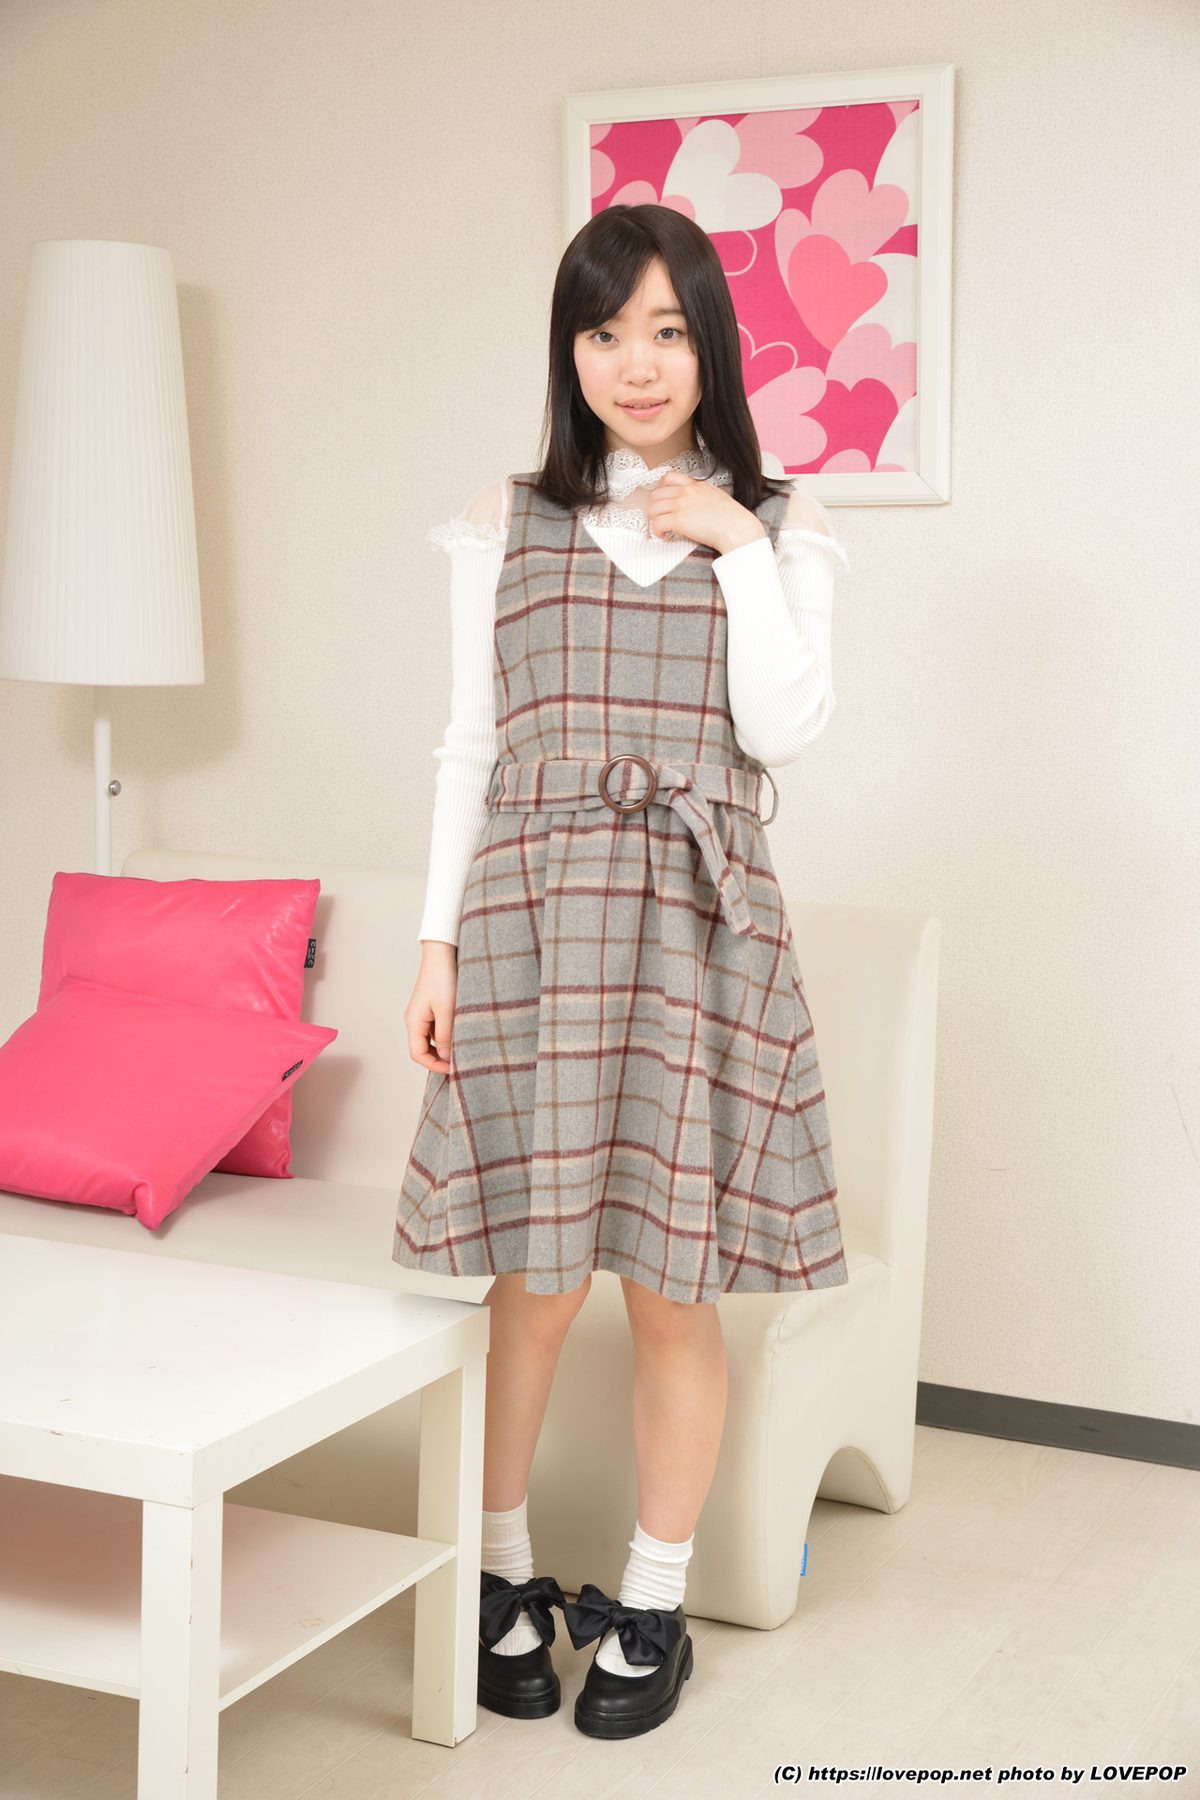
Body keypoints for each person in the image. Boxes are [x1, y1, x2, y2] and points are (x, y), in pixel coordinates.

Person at [393, 202, 852, 1740]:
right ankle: (499, 1578)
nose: (635, 363)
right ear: (569, 351)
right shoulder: (505, 522)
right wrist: (436, 945)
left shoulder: (779, 525)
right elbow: (472, 743)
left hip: (697, 936)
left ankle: (654, 1603)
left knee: (671, 1290)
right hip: (532, 925)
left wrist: (736, 547)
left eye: (664, 330)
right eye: (603, 332)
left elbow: (783, 731)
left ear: (710, 341)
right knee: (531, 1284)